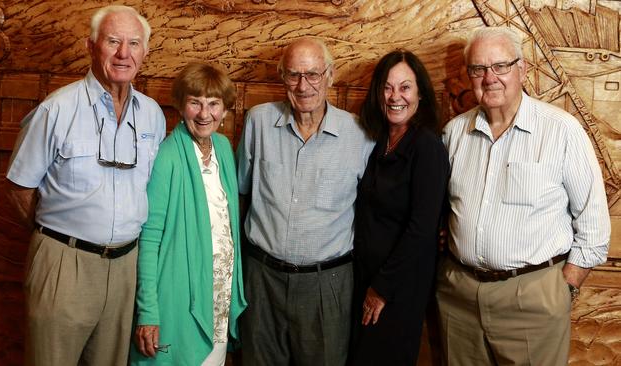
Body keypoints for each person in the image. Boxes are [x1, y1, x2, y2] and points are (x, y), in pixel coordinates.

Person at [437, 26, 610, 365]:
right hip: (458, 298)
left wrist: (564, 290)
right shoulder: (454, 132)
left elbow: (594, 229)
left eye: (500, 66)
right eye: (478, 69)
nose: (490, 78)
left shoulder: (562, 131)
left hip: (533, 300)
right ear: (469, 75)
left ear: (522, 70)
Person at [5, 5, 166, 366]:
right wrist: (58, 238)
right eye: (113, 42)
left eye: (134, 43)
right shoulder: (57, 109)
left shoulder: (153, 114)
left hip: (126, 265)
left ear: (145, 52)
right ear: (91, 46)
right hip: (64, 262)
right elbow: (18, 188)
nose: (124, 53)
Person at [236, 37, 374, 365]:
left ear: (330, 75)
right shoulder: (258, 121)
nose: (303, 86)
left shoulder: (359, 134)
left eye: (313, 74)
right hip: (262, 278)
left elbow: (373, 213)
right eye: (293, 75)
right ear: (282, 78)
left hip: (328, 285)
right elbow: (240, 192)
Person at [130, 62, 246, 366]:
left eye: (213, 104)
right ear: (181, 106)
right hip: (180, 299)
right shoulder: (168, 155)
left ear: (225, 109)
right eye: (195, 102)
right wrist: (148, 312)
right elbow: (150, 239)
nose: (204, 113)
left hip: (217, 298)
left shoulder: (222, 148)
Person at [349, 50, 449, 365]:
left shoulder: (427, 148)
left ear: (420, 94)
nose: (395, 96)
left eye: (405, 87)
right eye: (388, 87)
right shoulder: (378, 142)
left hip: (397, 288)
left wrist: (381, 289)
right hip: (364, 279)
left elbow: (421, 230)